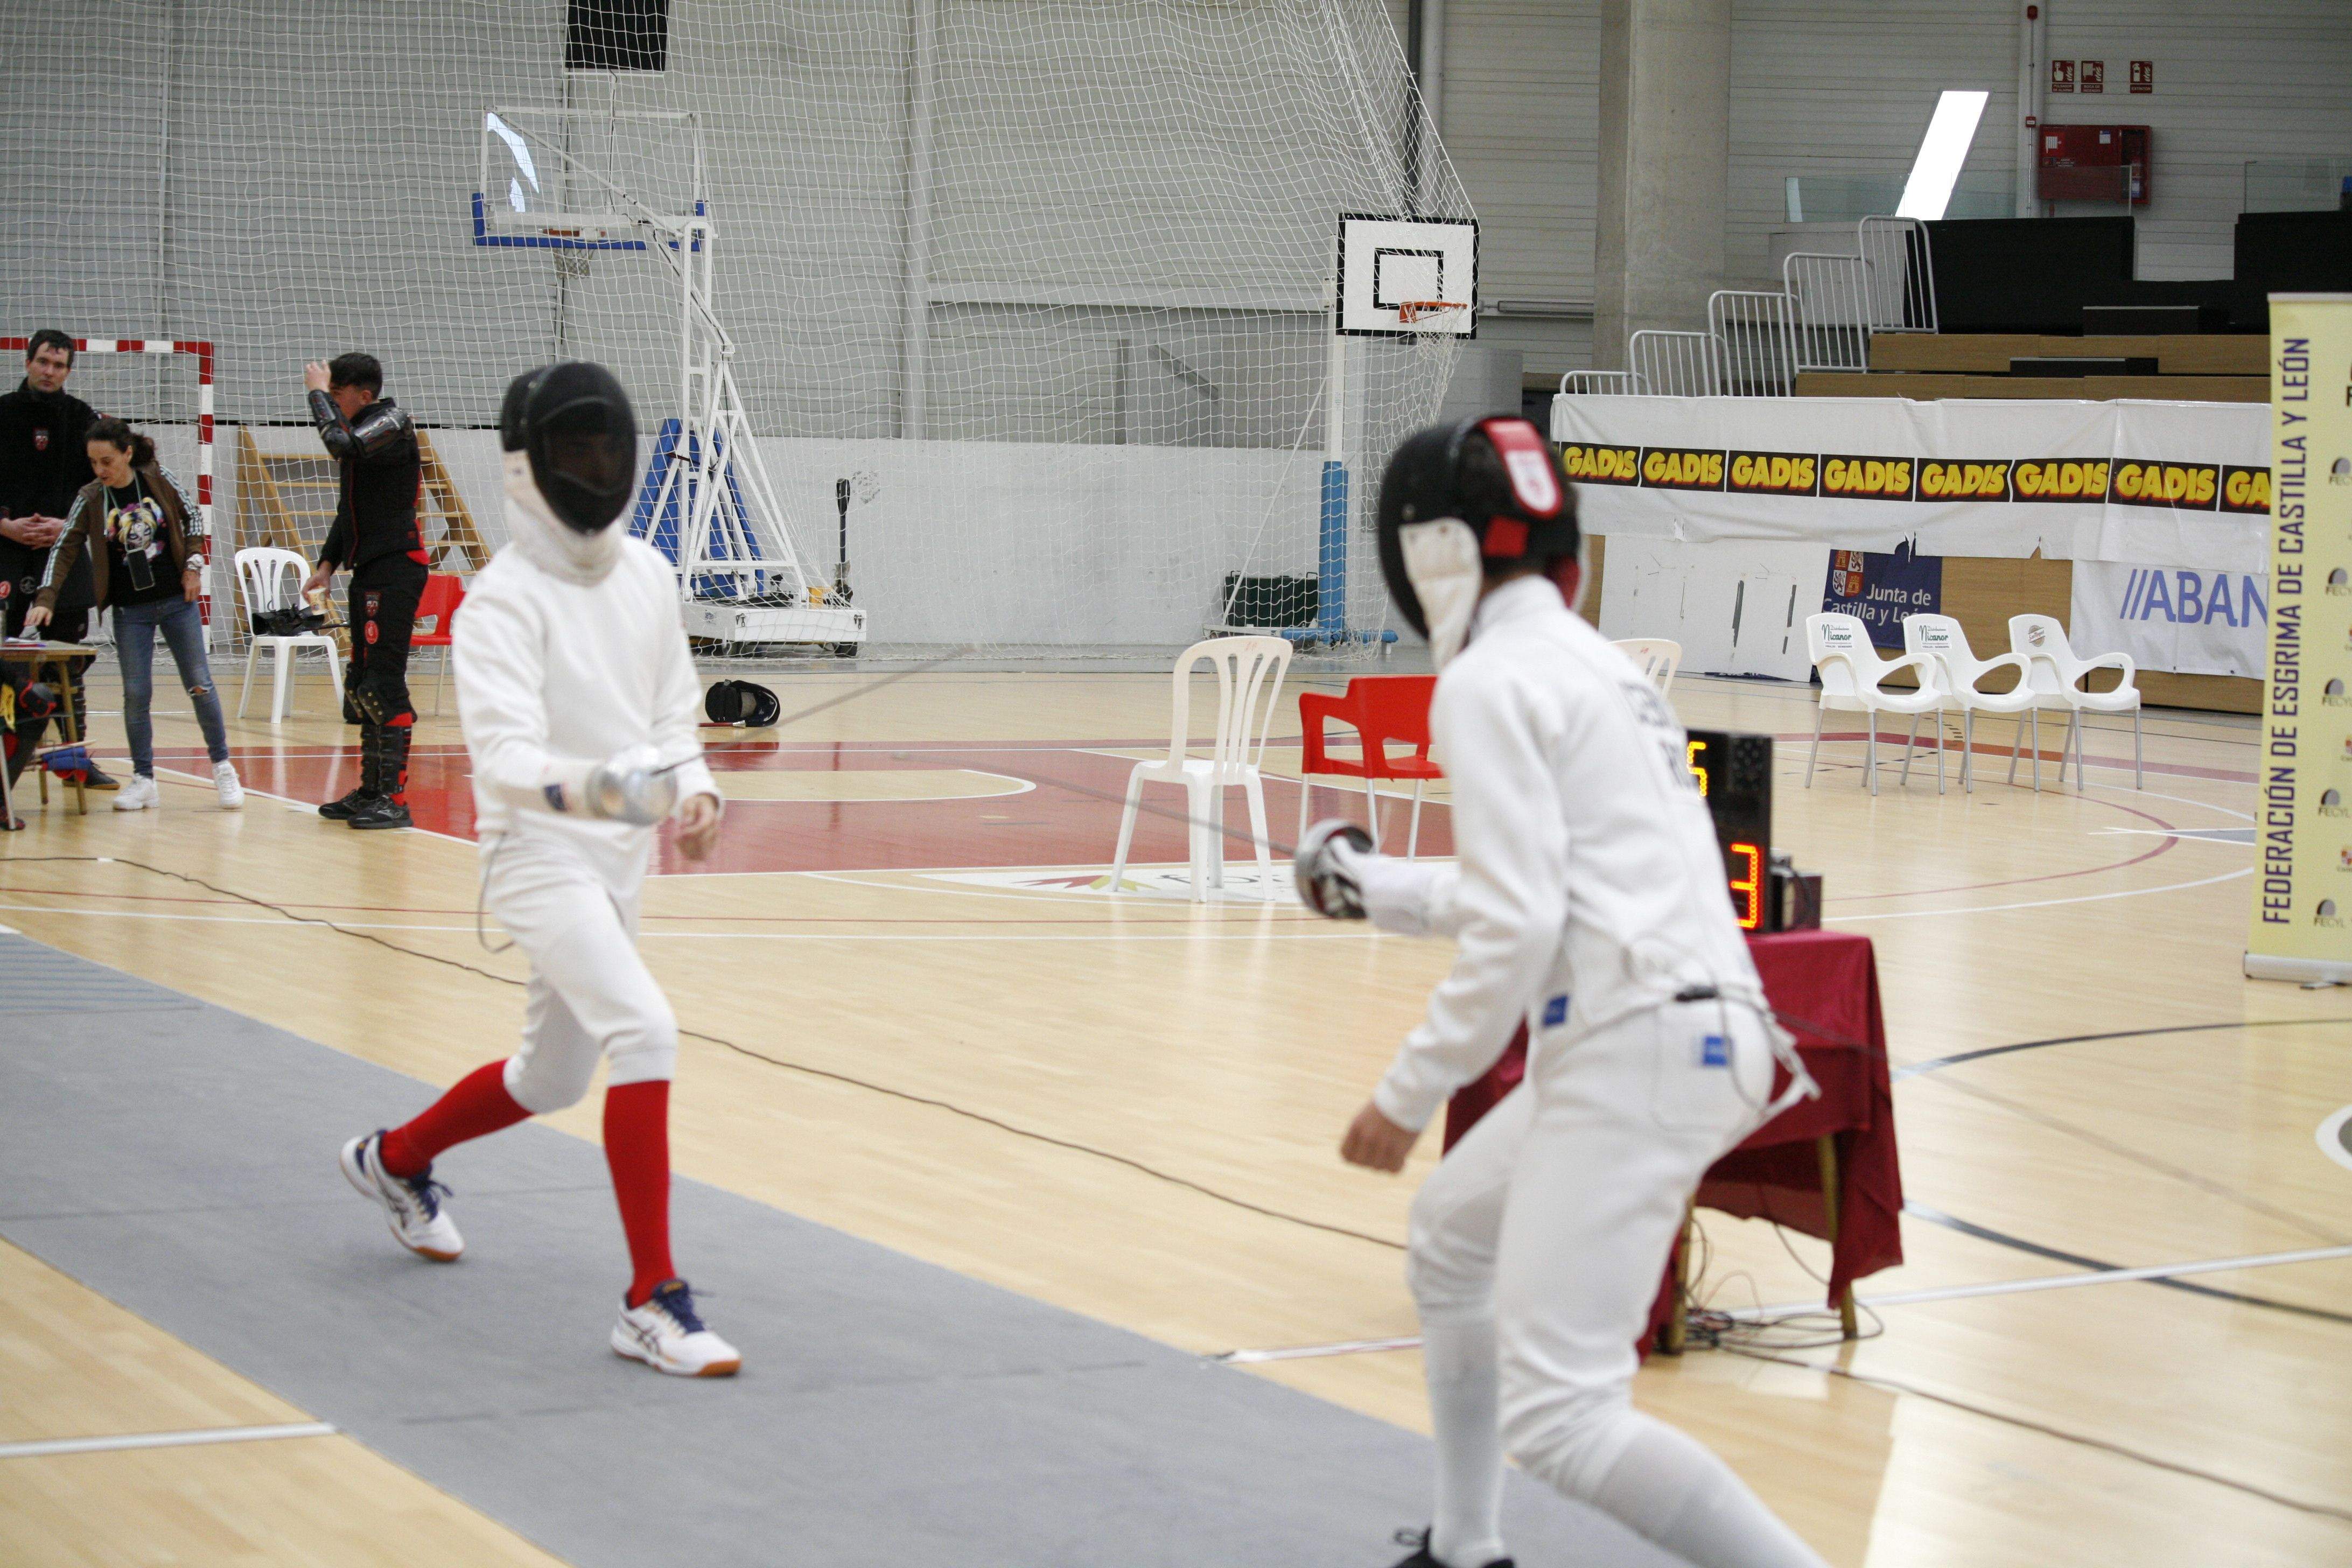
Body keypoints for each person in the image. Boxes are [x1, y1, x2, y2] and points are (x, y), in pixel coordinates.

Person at [1294, 415, 1828, 1568]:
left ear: (1422, 558)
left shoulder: (1488, 681)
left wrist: (1405, 1092)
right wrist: (1367, 884)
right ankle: (1467, 1546)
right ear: (1567, 560)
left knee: (1567, 1419)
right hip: (1684, 1032)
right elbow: (1533, 883)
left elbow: (1520, 925)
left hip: (1637, 1049)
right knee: (1450, 1235)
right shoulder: (1601, 669)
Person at [339, 361, 738, 1377]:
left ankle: (392, 1160)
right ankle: (652, 1300)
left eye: (607, 447)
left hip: (616, 860)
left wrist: (696, 792)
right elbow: (509, 769)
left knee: (551, 1078)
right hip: (535, 858)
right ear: (530, 465)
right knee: (644, 1029)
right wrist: (624, 789)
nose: (594, 467)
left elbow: (667, 722)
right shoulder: (499, 604)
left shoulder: (647, 574)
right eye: (575, 451)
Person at [24, 418, 242, 811]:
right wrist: (46, 597)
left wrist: (193, 567)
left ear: (127, 454)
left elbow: (193, 517)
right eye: (93, 463)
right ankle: (144, 779)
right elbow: (65, 547)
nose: (100, 470)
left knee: (200, 684)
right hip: (130, 612)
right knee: (136, 694)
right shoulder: (91, 497)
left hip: (177, 602)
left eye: (107, 461)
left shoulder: (156, 477)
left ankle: (223, 766)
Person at [300, 352, 424, 829]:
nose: (332, 402)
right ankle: (370, 789)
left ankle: (392, 799)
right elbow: (347, 510)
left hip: (397, 569)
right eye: (328, 395)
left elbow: (340, 444)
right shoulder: (361, 437)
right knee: (361, 685)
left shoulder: (391, 423)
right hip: (369, 569)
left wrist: (314, 393)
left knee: (383, 684)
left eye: (336, 394)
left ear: (364, 395)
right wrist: (327, 565)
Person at [0, 330, 118, 790]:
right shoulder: (3, 413)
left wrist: (68, 526)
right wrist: (5, 526)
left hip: (63, 553)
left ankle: (73, 760)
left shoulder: (84, 420)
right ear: (28, 362)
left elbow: (107, 486)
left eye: (60, 365)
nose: (50, 372)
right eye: (44, 362)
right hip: (6, 551)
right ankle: (8, 757)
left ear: (69, 371)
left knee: (69, 662)